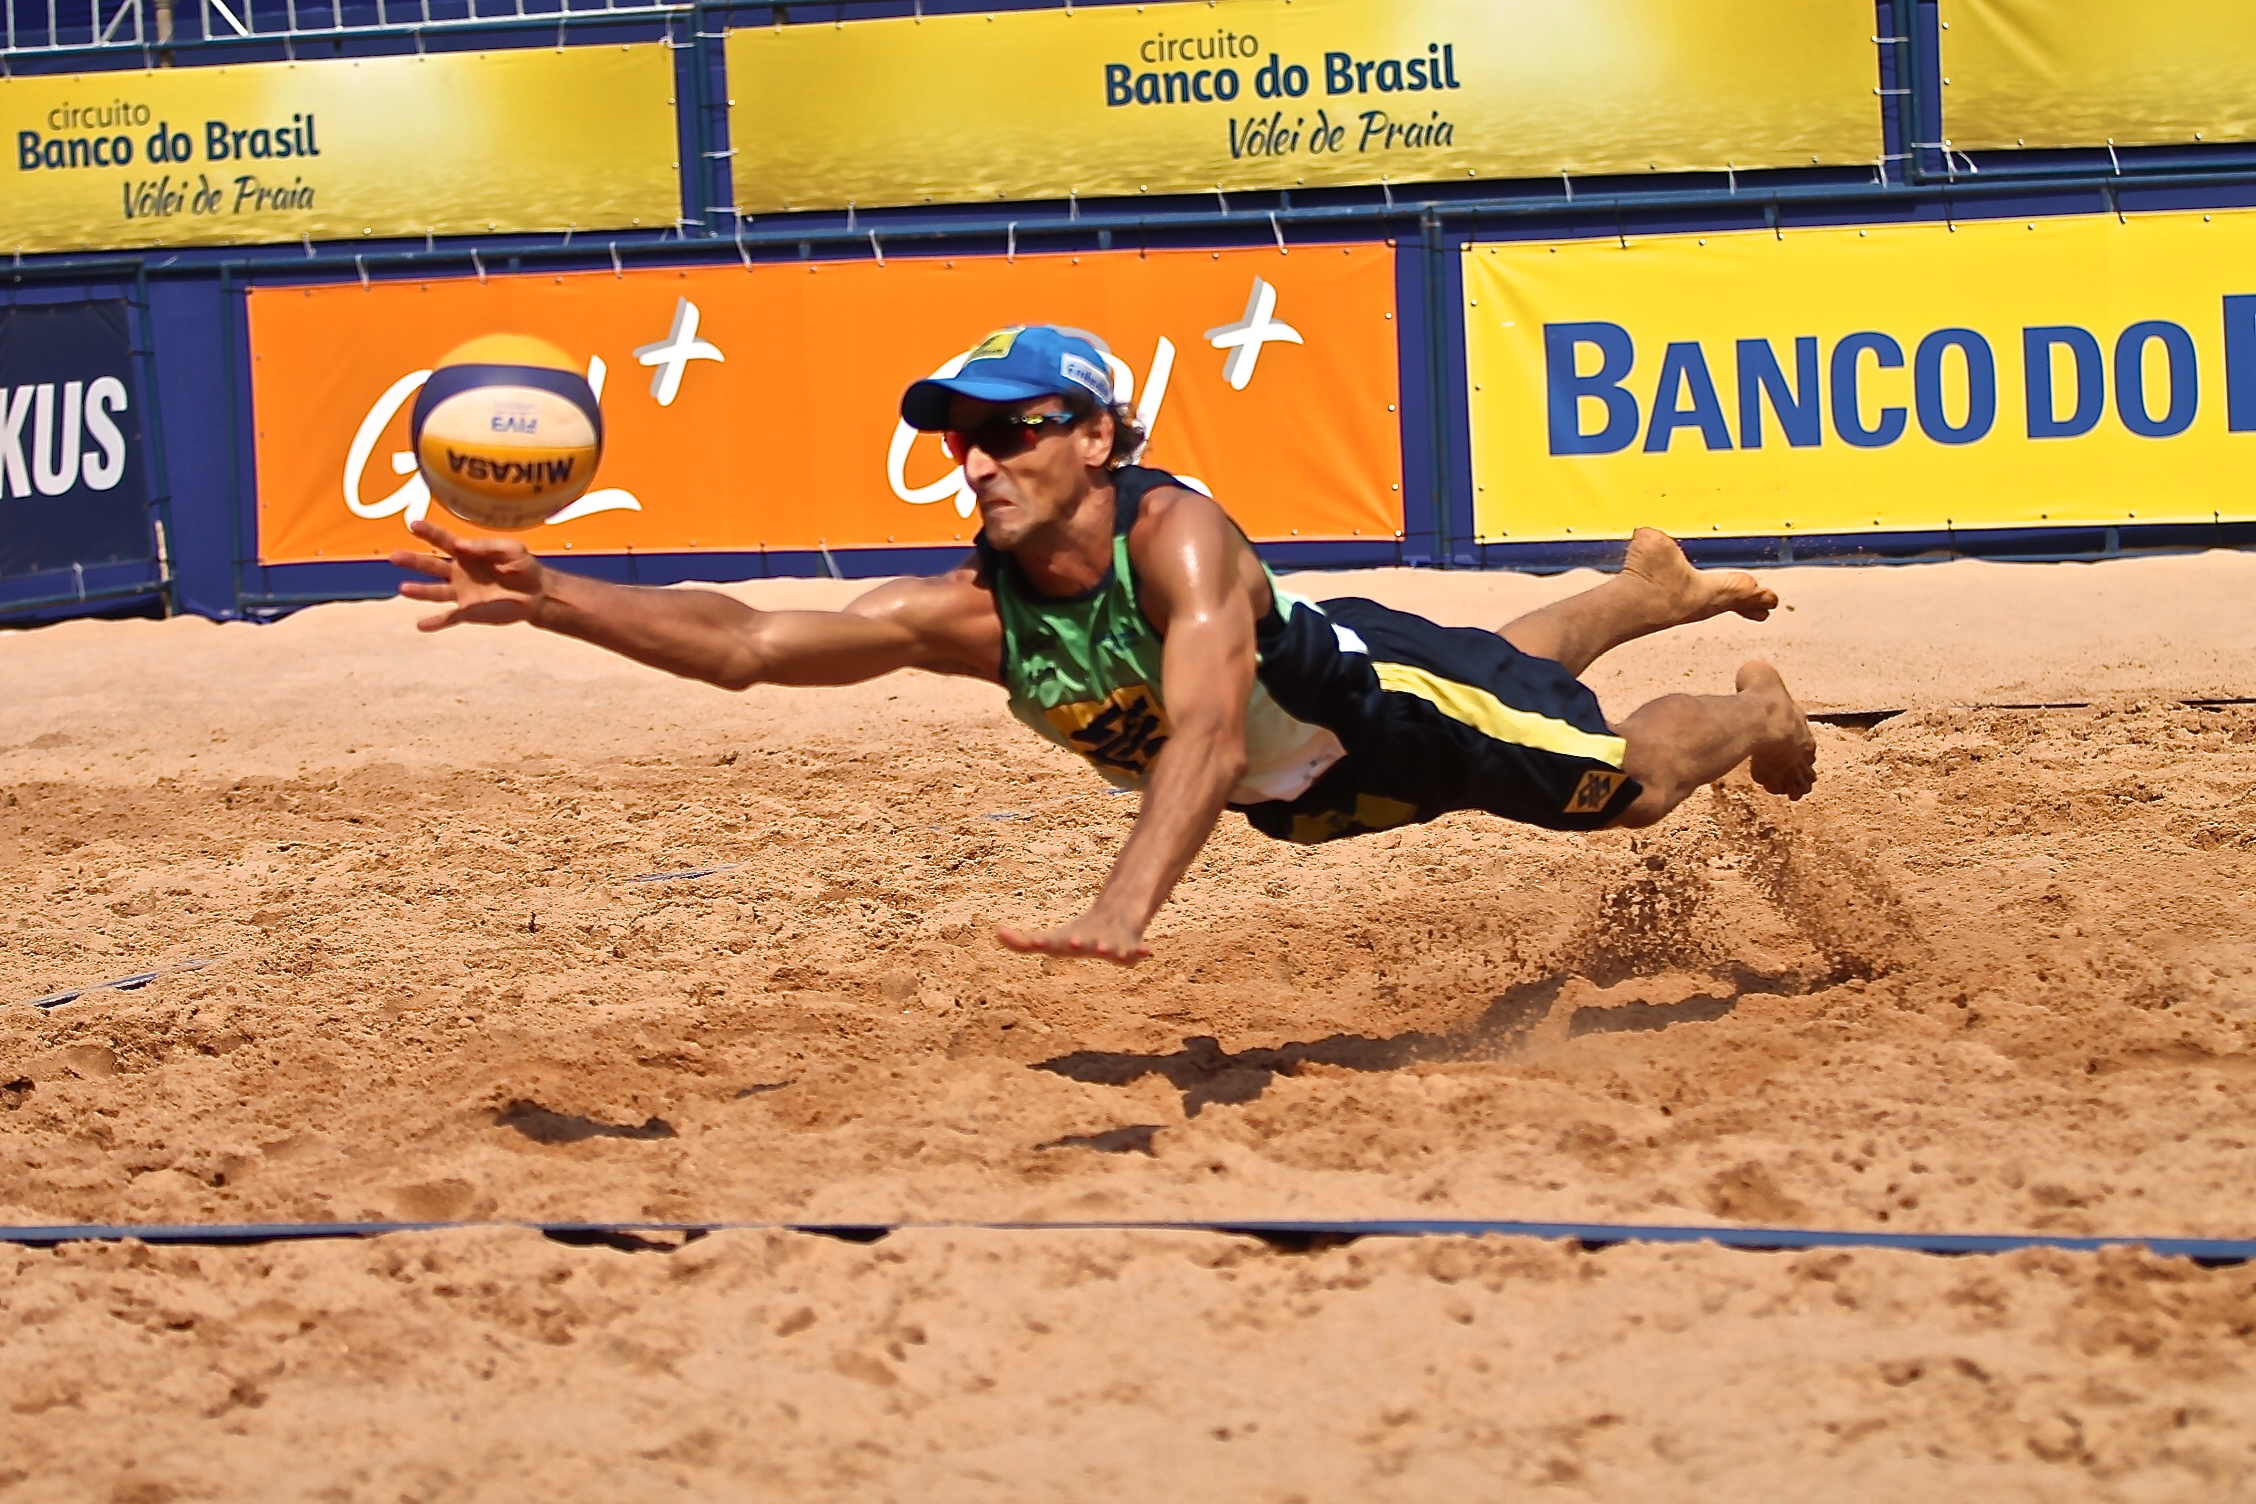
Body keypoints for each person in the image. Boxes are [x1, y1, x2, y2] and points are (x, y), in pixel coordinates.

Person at [391, 325, 1815, 965]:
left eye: (1010, 430)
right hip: (1305, 774)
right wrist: (556, 593)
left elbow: (1200, 731)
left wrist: (1126, 902)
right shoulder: (976, 610)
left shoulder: (1176, 539)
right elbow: (750, 640)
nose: (977, 458)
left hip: (1380, 724)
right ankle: (1646, 587)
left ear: (1095, 436)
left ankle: (1757, 710)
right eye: (963, 436)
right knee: (1491, 659)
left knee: (1609, 785)